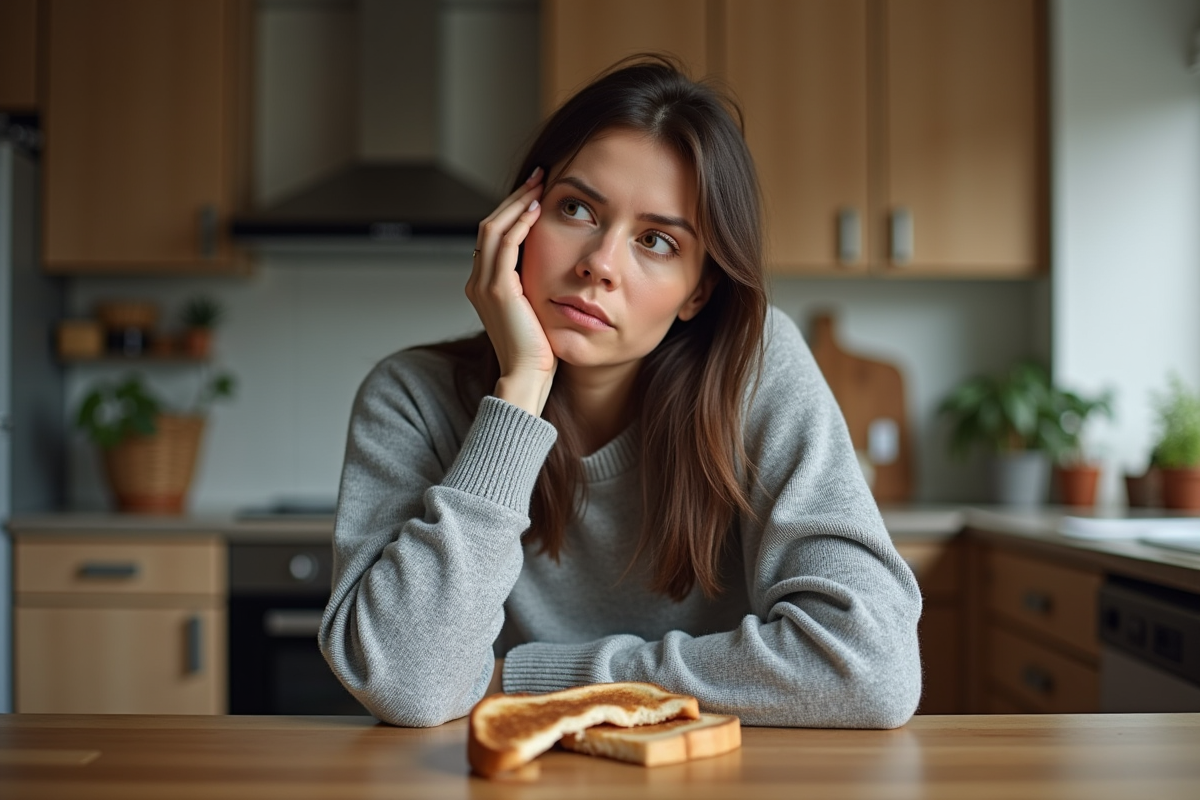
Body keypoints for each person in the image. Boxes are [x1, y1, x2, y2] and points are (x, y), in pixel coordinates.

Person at [319, 56, 922, 728]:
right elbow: (410, 684)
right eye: (577, 208)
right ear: (518, 218)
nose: (599, 264)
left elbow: (872, 669)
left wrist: (528, 678)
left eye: (657, 241)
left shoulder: (755, 370)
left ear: (698, 291)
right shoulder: (411, 397)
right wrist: (520, 393)